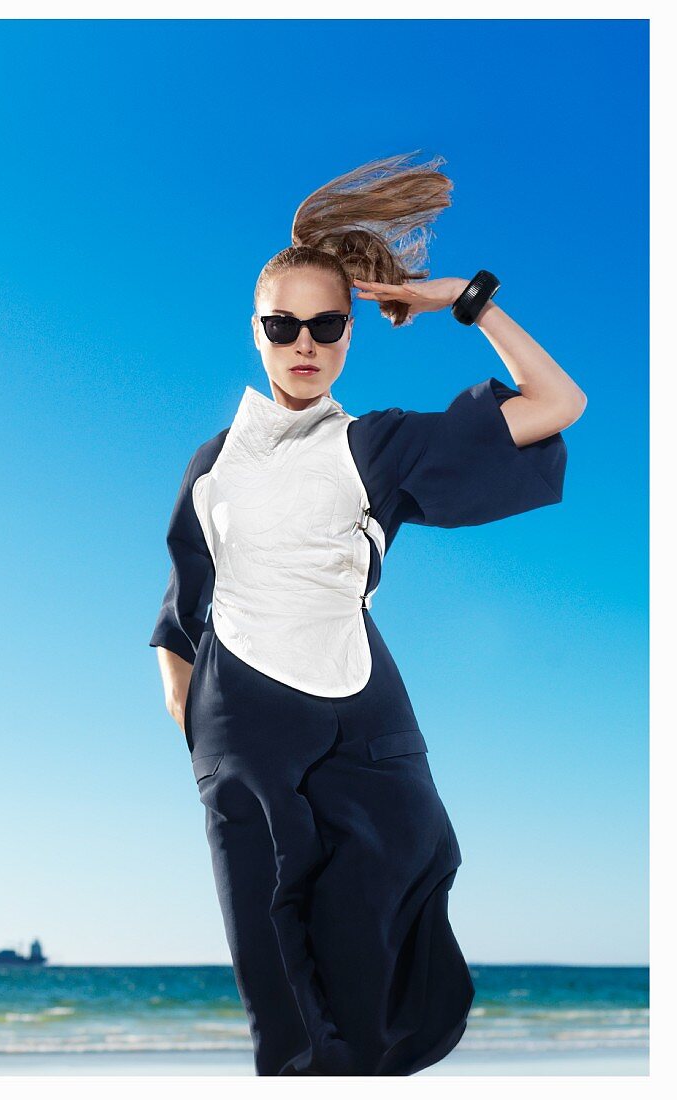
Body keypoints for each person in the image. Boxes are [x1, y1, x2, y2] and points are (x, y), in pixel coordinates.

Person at [148, 152, 586, 1076]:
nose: (303, 341)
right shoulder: (209, 466)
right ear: (256, 332)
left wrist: (462, 302)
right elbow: (179, 609)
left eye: (325, 324)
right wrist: (194, 726)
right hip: (240, 721)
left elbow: (558, 404)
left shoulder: (374, 445)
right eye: (283, 324)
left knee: (383, 912)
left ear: (348, 333)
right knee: (275, 968)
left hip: (359, 710)